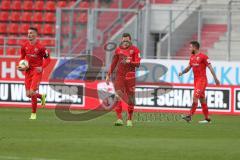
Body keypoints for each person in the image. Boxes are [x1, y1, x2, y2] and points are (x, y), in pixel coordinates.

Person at [179, 41, 220, 124]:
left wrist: (215, 79)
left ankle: (189, 116)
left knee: (195, 97)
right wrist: (182, 72)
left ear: (195, 47)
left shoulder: (203, 57)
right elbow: (188, 68)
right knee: (202, 100)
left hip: (202, 81)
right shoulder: (192, 57)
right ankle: (207, 119)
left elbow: (210, 68)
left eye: (190, 47)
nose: (189, 49)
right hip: (196, 81)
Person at [106, 33, 141, 127]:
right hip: (120, 76)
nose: (125, 42)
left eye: (127, 40)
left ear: (130, 40)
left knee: (131, 98)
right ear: (122, 40)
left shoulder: (135, 50)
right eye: (124, 40)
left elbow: (138, 64)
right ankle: (119, 119)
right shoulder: (118, 50)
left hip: (130, 77)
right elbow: (114, 63)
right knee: (118, 95)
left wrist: (130, 62)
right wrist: (108, 75)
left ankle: (129, 119)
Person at [17, 27, 51, 120]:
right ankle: (42, 97)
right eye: (28, 33)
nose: (29, 35)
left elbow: (48, 59)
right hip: (28, 71)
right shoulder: (24, 46)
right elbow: (22, 57)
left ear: (36, 35)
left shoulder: (41, 47)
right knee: (28, 94)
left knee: (32, 92)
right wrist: (20, 66)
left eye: (31, 33)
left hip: (36, 71)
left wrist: (42, 67)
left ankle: (33, 114)